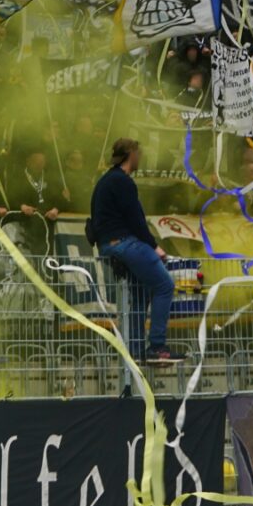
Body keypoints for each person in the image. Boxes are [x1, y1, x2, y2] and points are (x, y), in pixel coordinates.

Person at [86, 138, 180, 362]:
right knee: (165, 286)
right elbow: (136, 220)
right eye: (139, 153)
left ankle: (136, 350)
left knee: (141, 294)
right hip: (125, 243)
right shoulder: (123, 182)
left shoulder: (106, 181)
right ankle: (157, 347)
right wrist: (154, 246)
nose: (142, 157)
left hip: (110, 245)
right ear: (131, 154)